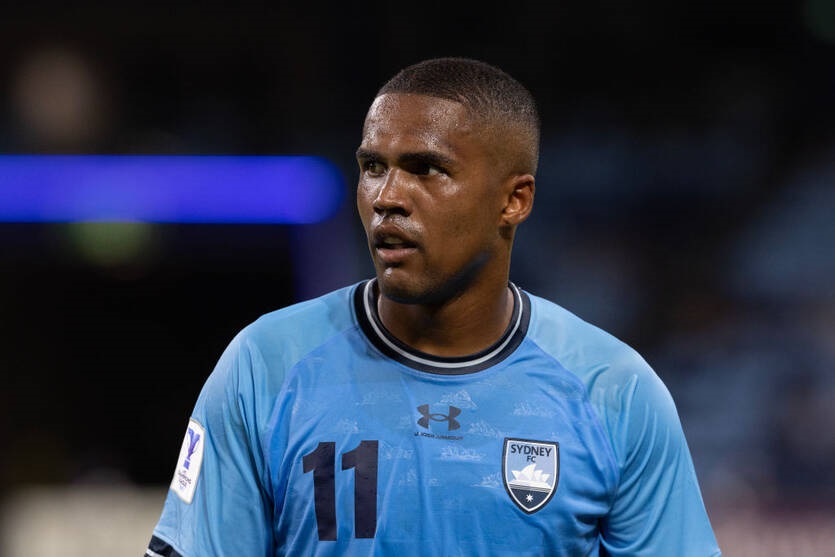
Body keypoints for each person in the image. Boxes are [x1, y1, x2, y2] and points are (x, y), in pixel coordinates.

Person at [146, 57, 721, 556]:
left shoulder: (613, 391)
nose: (387, 198)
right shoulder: (265, 365)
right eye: (373, 167)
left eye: (426, 169)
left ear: (514, 200)